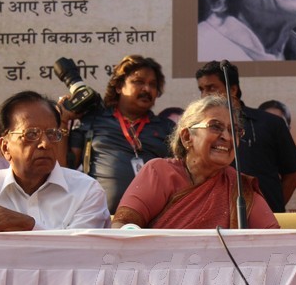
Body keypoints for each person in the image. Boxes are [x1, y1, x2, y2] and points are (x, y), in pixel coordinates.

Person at [0, 91, 110, 232]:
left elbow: (81, 254)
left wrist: (29, 225)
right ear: (5, 147)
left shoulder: (86, 191)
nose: (45, 144)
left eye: (52, 134)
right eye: (31, 135)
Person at [112, 95, 279, 229]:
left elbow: (276, 241)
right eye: (215, 126)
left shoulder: (240, 188)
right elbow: (123, 226)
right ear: (186, 137)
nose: (227, 137)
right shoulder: (159, 172)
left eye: (233, 130)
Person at [65, 55, 174, 213]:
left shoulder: (167, 128)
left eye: (153, 85)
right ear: (118, 86)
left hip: (153, 222)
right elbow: (65, 167)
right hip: (101, 220)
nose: (147, 89)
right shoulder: (93, 120)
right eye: (139, 82)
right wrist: (62, 122)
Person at [196, 61, 296, 212]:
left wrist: (271, 211)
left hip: (266, 225)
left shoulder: (271, 123)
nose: (204, 95)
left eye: (211, 88)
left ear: (233, 89)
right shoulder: (199, 129)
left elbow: (291, 176)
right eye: (201, 89)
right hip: (218, 220)